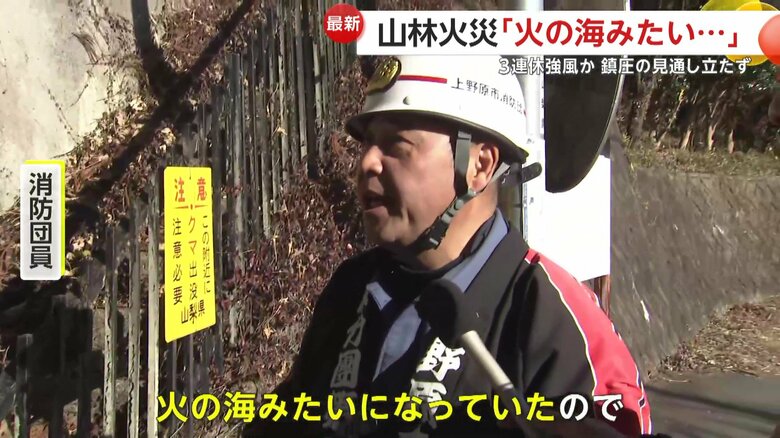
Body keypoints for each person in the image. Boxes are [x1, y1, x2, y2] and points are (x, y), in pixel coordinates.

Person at [242, 55, 652, 437]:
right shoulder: (351, 287)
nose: (366, 163)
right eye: (367, 144)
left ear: (479, 165)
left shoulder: (552, 317)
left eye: (397, 144)